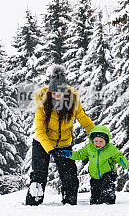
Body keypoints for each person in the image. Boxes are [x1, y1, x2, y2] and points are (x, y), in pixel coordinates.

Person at [27, 64, 95, 206]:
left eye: (60, 93)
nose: (56, 96)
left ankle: (70, 203)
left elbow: (83, 119)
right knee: (39, 175)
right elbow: (39, 129)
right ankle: (33, 204)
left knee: (69, 176)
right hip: (42, 142)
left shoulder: (73, 101)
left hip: (64, 143)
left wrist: (97, 134)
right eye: (53, 93)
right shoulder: (42, 102)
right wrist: (49, 148)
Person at [58, 125, 129, 205]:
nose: (98, 144)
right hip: (95, 176)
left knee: (107, 190)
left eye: (101, 141)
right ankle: (95, 204)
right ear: (92, 140)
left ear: (106, 140)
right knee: (95, 198)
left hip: (108, 173)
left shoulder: (111, 149)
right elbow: (80, 155)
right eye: (96, 141)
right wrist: (70, 154)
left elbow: (121, 159)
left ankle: (108, 202)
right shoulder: (89, 148)